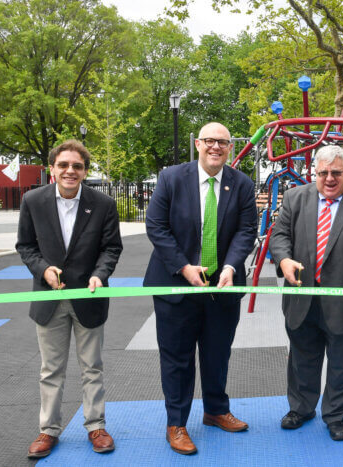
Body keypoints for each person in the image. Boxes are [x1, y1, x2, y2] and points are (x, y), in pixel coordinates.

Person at [144, 122, 257, 455]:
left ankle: (216, 410)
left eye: (223, 142)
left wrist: (231, 267)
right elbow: (156, 226)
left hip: (222, 286)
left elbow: (246, 231)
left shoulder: (242, 184)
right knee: (177, 358)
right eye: (210, 141)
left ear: (230, 148)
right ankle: (176, 423)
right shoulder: (171, 178)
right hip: (176, 284)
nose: (216, 147)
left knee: (217, 352)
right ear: (197, 144)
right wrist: (183, 266)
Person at [269, 145, 343, 441]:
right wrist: (283, 260)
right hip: (302, 296)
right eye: (323, 173)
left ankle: (337, 415)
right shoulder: (295, 198)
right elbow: (280, 235)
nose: (330, 179)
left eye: (336, 172)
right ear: (315, 172)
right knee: (302, 359)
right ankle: (301, 408)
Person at [16, 140, 123, 458]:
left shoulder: (102, 204)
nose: (70, 171)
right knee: (51, 370)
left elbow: (111, 247)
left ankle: (96, 426)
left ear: (85, 171)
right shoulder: (32, 201)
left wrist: (100, 275)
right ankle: (48, 430)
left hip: (89, 297)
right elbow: (25, 246)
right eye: (63, 165)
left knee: (93, 367)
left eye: (77, 166)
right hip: (49, 298)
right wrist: (43, 270)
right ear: (52, 169)